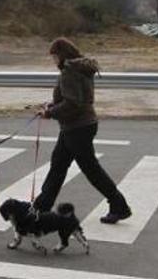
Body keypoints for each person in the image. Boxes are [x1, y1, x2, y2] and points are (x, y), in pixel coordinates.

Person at [32, 37, 132, 224]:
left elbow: (73, 103)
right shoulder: (80, 68)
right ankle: (40, 207)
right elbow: (76, 98)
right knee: (58, 166)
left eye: (54, 57)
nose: (53, 61)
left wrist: (50, 113)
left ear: (61, 55)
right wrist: (52, 105)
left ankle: (119, 206)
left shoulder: (69, 71)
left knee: (90, 170)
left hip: (77, 127)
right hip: (79, 125)